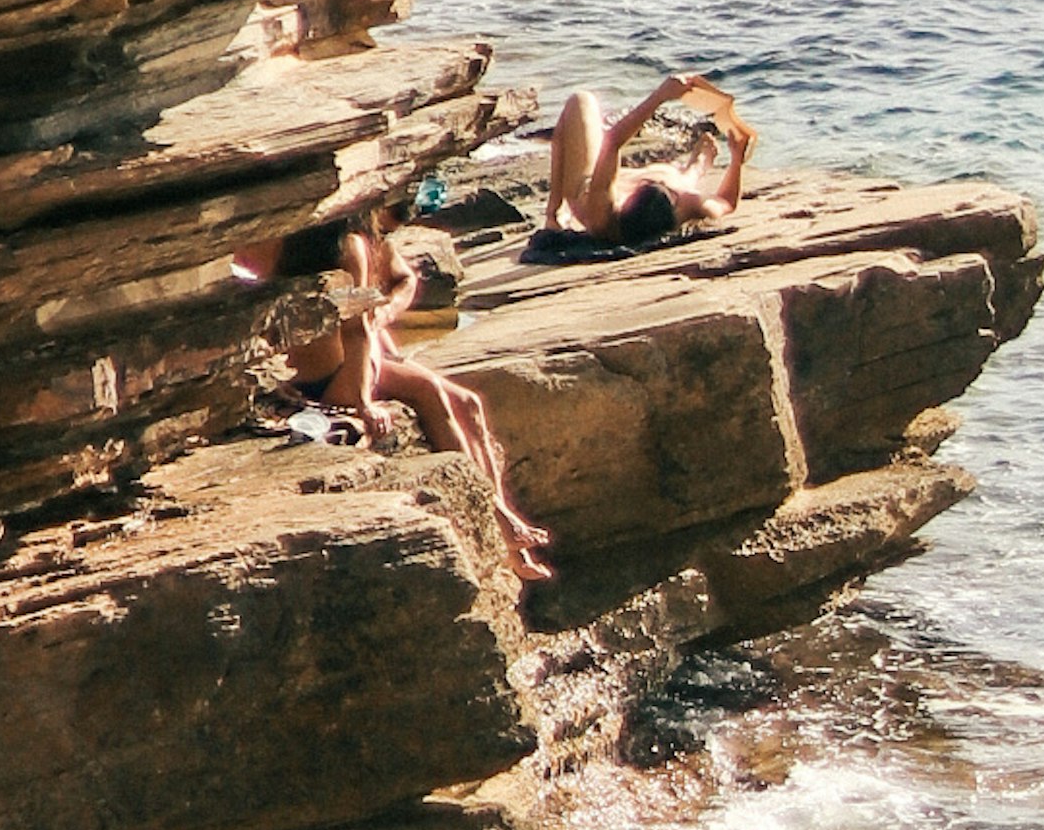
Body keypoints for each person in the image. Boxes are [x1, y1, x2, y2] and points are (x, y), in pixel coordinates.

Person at [303, 219, 554, 586]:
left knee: (468, 403)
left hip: (356, 359)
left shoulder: (370, 238)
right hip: (334, 373)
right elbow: (354, 330)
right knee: (430, 391)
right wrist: (362, 402)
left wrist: (384, 311)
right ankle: (500, 521)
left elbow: (403, 281)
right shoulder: (347, 245)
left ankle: (512, 541)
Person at [525, 73, 754, 264]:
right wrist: (737, 160)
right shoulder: (685, 205)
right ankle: (697, 167)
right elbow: (727, 203)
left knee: (580, 100)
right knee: (671, 176)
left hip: (586, 185)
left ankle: (554, 212)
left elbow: (613, 143)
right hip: (666, 190)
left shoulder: (602, 214)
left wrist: (660, 96)